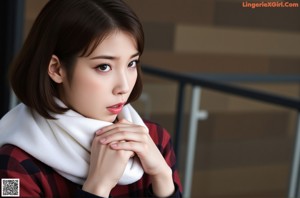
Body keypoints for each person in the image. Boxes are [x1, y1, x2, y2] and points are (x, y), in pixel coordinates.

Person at [0, 0, 182, 197]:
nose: (124, 86)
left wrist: (163, 177)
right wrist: (98, 186)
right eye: (104, 67)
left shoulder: (154, 141)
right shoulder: (11, 168)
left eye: (132, 63)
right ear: (56, 69)